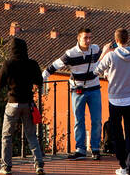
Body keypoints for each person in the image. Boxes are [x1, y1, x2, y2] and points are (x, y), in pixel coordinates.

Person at [43, 27, 102, 160]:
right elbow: (55, 65)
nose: (88, 41)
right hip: (78, 90)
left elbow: (104, 58)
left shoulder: (96, 49)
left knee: (97, 120)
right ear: (78, 38)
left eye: (90, 38)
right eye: (85, 38)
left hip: (94, 89)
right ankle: (80, 149)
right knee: (79, 120)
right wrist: (43, 77)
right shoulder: (70, 54)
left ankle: (95, 148)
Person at [94, 28, 130, 175]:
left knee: (118, 135)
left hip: (115, 100)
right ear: (128, 39)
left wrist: (104, 53)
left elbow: (96, 70)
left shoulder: (111, 56)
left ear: (115, 41)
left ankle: (122, 166)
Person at [0, 36, 44, 175]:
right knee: (31, 135)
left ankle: (6, 166)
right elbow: (39, 81)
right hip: (28, 103)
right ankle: (38, 164)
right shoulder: (32, 64)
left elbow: (0, 83)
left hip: (13, 103)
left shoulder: (8, 64)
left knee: (7, 135)